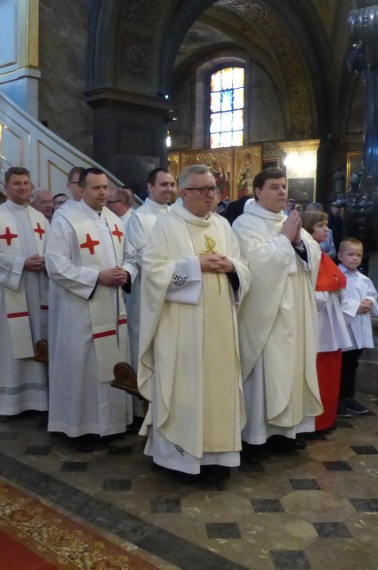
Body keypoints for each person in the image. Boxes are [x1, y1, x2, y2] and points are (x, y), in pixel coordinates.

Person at [138, 164, 250, 479]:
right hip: (182, 328)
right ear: (184, 193)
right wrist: (194, 264)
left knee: (218, 389)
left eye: (213, 188)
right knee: (186, 388)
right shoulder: (166, 226)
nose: (210, 195)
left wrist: (231, 267)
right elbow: (153, 271)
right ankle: (180, 460)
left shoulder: (223, 226)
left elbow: (244, 266)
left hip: (221, 328)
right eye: (202, 190)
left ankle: (219, 458)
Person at [233, 168, 322, 460]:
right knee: (267, 372)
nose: (282, 192)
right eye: (274, 187)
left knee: (292, 370)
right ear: (258, 191)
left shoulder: (289, 221)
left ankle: (287, 432)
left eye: (284, 186)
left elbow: (313, 255)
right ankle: (256, 437)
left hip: (295, 310)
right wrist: (285, 240)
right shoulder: (245, 225)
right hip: (266, 313)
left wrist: (297, 241)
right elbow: (253, 265)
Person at [45, 167, 130, 451]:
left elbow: (131, 256)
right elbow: (56, 265)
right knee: (82, 366)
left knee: (111, 362)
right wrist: (97, 277)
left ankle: (112, 423)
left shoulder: (115, 221)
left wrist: (126, 273)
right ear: (81, 189)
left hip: (113, 304)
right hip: (80, 307)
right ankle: (80, 428)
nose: (103, 193)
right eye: (96, 188)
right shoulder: (66, 219)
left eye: (106, 187)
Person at [0, 168, 50, 418]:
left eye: (26, 183)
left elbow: (53, 249)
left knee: (34, 336)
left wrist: (46, 262)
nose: (23, 188)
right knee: (7, 344)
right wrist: (21, 264)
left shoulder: (40, 218)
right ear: (6, 188)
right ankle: (6, 402)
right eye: (17, 183)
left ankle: (37, 399)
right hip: (6, 291)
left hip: (36, 290)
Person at [121, 168, 175, 373]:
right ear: (150, 187)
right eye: (163, 184)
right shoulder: (139, 218)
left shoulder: (177, 214)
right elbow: (142, 258)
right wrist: (177, 272)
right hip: (148, 292)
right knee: (147, 346)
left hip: (175, 290)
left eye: (171, 184)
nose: (169, 189)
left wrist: (181, 278)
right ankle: (143, 401)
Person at [301, 210, 351, 429]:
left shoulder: (321, 254)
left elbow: (338, 283)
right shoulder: (306, 253)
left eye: (327, 224)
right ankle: (314, 423)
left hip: (330, 322)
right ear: (308, 227)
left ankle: (326, 419)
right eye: (321, 225)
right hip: (317, 323)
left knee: (329, 374)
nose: (327, 229)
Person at [337, 237, 378, 415]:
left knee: (353, 364)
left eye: (358, 255)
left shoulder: (363, 279)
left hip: (360, 326)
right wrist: (356, 306)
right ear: (340, 256)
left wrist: (369, 302)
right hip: (345, 327)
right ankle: (338, 399)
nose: (355, 258)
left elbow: (372, 294)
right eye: (350, 254)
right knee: (342, 365)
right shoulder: (337, 275)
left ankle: (349, 397)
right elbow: (335, 300)